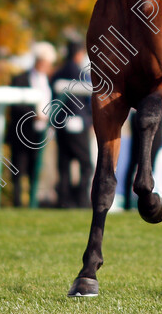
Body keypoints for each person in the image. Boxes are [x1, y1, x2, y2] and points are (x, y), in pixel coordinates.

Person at [7, 41, 56, 208]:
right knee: (18, 169)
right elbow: (15, 106)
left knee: (36, 169)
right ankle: (17, 203)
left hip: (40, 134)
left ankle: (32, 203)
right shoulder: (20, 78)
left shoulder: (50, 81)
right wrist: (34, 115)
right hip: (22, 133)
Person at [50, 40, 93, 208]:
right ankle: (81, 198)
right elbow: (88, 99)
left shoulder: (57, 73)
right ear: (78, 54)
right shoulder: (81, 73)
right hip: (78, 123)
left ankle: (64, 200)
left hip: (60, 124)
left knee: (64, 164)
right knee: (86, 165)